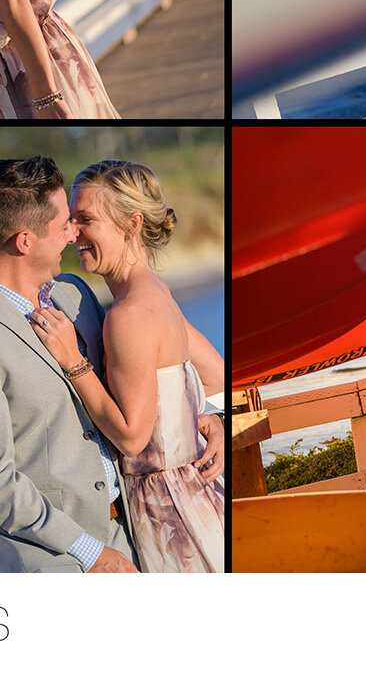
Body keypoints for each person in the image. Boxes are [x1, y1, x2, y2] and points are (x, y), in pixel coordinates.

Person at [0, 156, 223, 572]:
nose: (71, 235)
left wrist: (203, 417)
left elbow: (157, 368)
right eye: (65, 223)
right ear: (25, 241)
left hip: (139, 535)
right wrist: (91, 552)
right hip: (59, 563)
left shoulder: (74, 294)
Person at [28, 160, 226, 572]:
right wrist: (204, 417)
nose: (71, 234)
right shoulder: (156, 292)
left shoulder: (129, 315)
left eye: (85, 220)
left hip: (171, 517)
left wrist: (74, 362)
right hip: (197, 498)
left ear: (132, 224)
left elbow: (133, 438)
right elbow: (215, 374)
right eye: (70, 220)